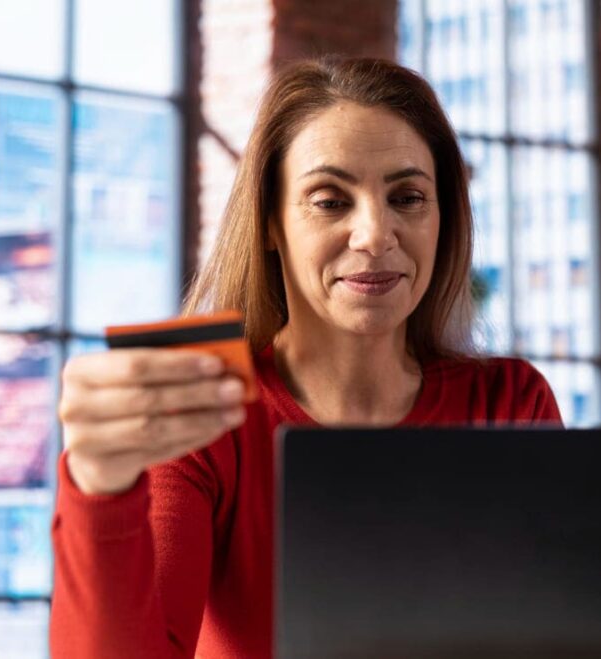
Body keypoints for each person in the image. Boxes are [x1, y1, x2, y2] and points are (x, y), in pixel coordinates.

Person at [50, 57, 562, 658]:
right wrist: (100, 487)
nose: (375, 234)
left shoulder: (509, 401)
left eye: (408, 197)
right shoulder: (206, 418)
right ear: (270, 222)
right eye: (329, 200)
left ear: (442, 219)